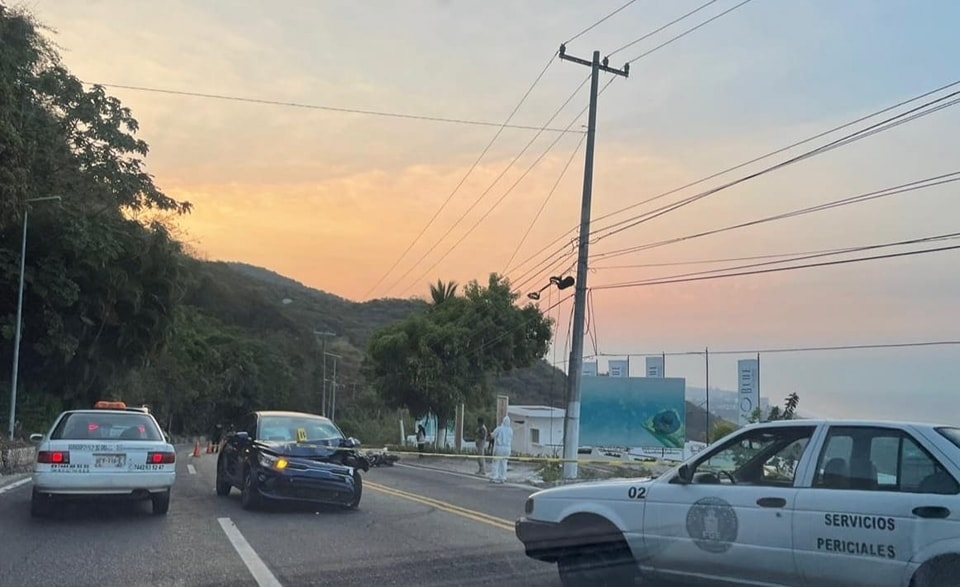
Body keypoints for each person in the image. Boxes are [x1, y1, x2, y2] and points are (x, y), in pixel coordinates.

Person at [490, 416, 513, 484]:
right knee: (504, 463)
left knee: (496, 462)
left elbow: (493, 435)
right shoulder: (510, 430)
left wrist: (491, 434)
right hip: (507, 448)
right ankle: (502, 477)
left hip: (499, 447)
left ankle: (494, 477)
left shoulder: (499, 429)